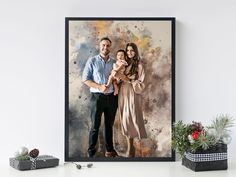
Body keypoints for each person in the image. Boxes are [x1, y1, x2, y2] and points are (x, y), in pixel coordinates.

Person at [82, 37, 118, 158]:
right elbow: (86, 79)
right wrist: (98, 86)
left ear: (110, 47)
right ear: (99, 46)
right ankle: (91, 153)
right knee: (95, 126)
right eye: (103, 45)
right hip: (97, 98)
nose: (105, 48)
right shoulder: (92, 61)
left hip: (112, 99)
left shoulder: (114, 62)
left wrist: (117, 82)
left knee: (109, 126)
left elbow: (118, 79)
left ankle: (109, 150)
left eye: (108, 45)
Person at [116, 42, 147, 157]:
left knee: (132, 117)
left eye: (132, 50)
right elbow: (117, 79)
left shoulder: (139, 65)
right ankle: (130, 146)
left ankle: (132, 148)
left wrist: (128, 80)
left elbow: (141, 84)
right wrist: (119, 78)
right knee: (124, 118)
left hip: (133, 94)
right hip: (122, 93)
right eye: (127, 50)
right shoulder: (123, 63)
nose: (129, 53)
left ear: (136, 51)